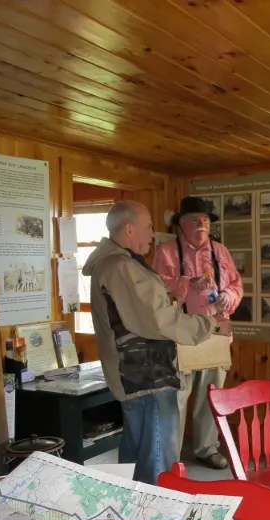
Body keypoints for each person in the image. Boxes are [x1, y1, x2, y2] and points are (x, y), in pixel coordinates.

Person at [82, 200, 230, 485]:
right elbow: (159, 320)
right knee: (159, 465)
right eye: (148, 227)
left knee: (136, 459)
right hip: (146, 378)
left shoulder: (116, 264)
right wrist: (210, 324)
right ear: (128, 229)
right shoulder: (121, 267)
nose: (152, 234)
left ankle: (131, 518)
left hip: (138, 378)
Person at [153, 196, 243, 470]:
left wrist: (230, 295)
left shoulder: (221, 251)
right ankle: (172, 458)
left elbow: (237, 284)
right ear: (181, 224)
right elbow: (157, 287)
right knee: (177, 396)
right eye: (195, 219)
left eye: (205, 220)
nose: (202, 224)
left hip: (216, 333)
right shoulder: (167, 251)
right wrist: (187, 283)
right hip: (181, 336)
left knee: (211, 393)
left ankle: (207, 448)